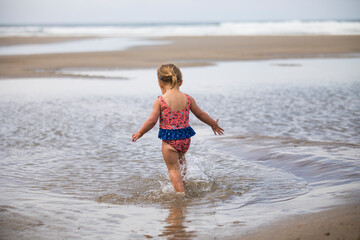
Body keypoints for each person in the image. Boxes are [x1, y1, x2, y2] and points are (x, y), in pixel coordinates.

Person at [132, 63, 224, 193]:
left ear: (160, 83)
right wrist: (213, 124)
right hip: (185, 139)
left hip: (170, 140)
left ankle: (181, 194)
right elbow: (200, 114)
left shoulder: (160, 100)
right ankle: (183, 183)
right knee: (181, 161)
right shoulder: (188, 98)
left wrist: (140, 132)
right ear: (180, 82)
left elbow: (152, 121)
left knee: (173, 169)